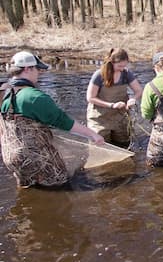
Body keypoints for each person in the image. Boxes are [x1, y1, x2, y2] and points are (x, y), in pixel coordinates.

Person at [0, 51, 104, 187]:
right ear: (27, 69)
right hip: (37, 159)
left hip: (12, 157)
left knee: (28, 190)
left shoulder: (5, 93)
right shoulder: (35, 97)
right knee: (62, 190)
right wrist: (93, 135)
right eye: (37, 69)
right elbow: (64, 122)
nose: (39, 73)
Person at [86, 48, 143, 147]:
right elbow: (90, 98)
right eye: (119, 66)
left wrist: (133, 99)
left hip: (120, 116)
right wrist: (112, 105)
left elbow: (139, 91)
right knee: (100, 145)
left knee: (124, 144)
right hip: (99, 118)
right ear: (111, 62)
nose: (122, 68)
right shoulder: (99, 75)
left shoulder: (126, 74)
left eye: (124, 66)